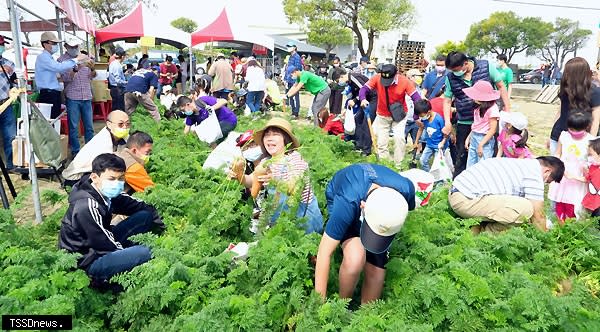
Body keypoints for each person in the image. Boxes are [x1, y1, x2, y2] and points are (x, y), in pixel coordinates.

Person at [315, 163, 415, 304]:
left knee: (377, 271)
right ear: (363, 206)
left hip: (378, 211)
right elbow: (324, 253)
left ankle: (364, 318)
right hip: (343, 192)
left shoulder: (407, 189)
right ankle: (344, 304)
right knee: (354, 259)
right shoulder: (346, 203)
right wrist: (318, 305)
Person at [59, 153, 164, 284]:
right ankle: (104, 281)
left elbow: (136, 205)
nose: (117, 183)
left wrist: (164, 223)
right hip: (88, 262)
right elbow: (104, 244)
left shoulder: (103, 191)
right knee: (146, 252)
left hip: (100, 243)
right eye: (112, 178)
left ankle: (130, 251)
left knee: (145, 216)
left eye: (121, 179)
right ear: (95, 177)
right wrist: (128, 255)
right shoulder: (86, 206)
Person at [229, 117, 323, 234]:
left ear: (286, 139)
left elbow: (294, 189)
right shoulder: (266, 161)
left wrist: (275, 181)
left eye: (275, 134)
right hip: (280, 218)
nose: (270, 138)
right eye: (267, 135)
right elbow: (252, 180)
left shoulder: (295, 159)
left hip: (304, 220)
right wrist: (240, 176)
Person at [449, 156, 564, 233]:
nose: (544, 184)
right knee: (527, 209)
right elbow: (538, 216)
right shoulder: (534, 173)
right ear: (547, 171)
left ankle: (472, 228)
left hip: (459, 192)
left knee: (515, 207)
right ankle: (483, 235)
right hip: (466, 199)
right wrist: (544, 239)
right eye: (547, 181)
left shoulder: (521, 164)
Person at [441, 51, 510, 177]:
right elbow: (447, 100)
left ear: (466, 63)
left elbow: (501, 86)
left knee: (486, 155)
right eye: (452, 71)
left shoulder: (486, 67)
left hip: (487, 123)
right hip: (465, 121)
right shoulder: (451, 77)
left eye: (456, 70)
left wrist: (507, 108)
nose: (455, 73)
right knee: (462, 156)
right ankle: (459, 186)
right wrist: (447, 122)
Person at [359, 64, 422, 168]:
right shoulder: (378, 78)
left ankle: (398, 165)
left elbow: (417, 99)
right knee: (381, 142)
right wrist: (363, 99)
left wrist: (416, 116)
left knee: (399, 139)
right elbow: (364, 89)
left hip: (400, 116)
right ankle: (385, 165)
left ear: (395, 75)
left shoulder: (404, 81)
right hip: (382, 115)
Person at [62, 111, 130, 185]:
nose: (125, 127)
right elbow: (110, 167)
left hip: (96, 170)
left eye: (127, 124)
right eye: (120, 124)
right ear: (109, 124)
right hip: (77, 178)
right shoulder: (103, 143)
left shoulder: (119, 135)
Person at [548, 111, 594, 222]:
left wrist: (586, 168)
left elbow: (592, 159)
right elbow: (558, 153)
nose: (573, 132)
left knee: (575, 202)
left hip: (578, 175)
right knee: (560, 200)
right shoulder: (564, 136)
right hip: (564, 172)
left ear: (586, 127)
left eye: (577, 130)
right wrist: (556, 166)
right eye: (571, 129)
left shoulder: (590, 140)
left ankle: (572, 224)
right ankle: (559, 222)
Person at [548, 57, 600, 155]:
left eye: (568, 72)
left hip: (582, 138)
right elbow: (560, 113)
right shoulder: (566, 90)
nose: (565, 74)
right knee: (557, 166)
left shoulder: (595, 92)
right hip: (559, 135)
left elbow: (596, 120)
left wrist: (591, 143)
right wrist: (551, 136)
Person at [35, 32, 88, 119]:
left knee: (54, 119)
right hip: (48, 94)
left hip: (52, 93)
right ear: (45, 44)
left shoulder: (49, 58)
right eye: (54, 43)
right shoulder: (43, 57)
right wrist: (76, 60)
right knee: (51, 120)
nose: (56, 45)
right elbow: (58, 67)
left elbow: (59, 71)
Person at [58, 38, 96, 156]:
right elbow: (65, 79)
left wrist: (93, 69)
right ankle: (75, 151)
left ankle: (90, 150)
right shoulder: (61, 61)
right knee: (73, 126)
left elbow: (91, 76)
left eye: (76, 46)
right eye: (72, 47)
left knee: (89, 126)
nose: (74, 49)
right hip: (73, 97)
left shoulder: (84, 57)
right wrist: (75, 69)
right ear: (66, 46)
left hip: (86, 96)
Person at [462, 81, 500, 168]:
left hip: (484, 139)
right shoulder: (478, 107)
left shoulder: (492, 109)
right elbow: (476, 125)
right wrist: (469, 137)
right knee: (470, 165)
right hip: (475, 136)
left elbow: (492, 130)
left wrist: (481, 144)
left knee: (482, 166)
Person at [414, 100, 448, 172]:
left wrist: (442, 142)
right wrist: (416, 141)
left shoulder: (439, 119)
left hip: (439, 146)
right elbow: (421, 128)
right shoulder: (425, 119)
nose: (421, 118)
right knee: (423, 161)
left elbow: (446, 133)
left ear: (428, 112)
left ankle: (440, 180)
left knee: (438, 165)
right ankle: (429, 175)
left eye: (421, 116)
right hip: (429, 144)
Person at [0, 35, 17, 169]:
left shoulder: (9, 63)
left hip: (6, 103)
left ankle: (11, 165)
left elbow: (15, 81)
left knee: (10, 135)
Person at [283, 42, 302, 118]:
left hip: (294, 79)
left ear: (294, 47)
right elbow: (287, 69)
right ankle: (293, 111)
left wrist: (295, 78)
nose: (288, 48)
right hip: (289, 79)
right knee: (290, 96)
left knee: (295, 97)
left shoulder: (297, 57)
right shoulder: (290, 56)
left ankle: (296, 112)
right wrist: (285, 79)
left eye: (290, 46)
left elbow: (298, 68)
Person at [582, 137, 600, 218]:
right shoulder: (593, 167)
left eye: (591, 155)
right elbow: (589, 178)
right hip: (595, 202)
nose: (589, 157)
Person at [108, 47, 127, 111]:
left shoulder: (112, 63)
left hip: (114, 88)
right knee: (119, 109)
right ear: (122, 57)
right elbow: (118, 80)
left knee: (115, 108)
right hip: (117, 89)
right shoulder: (117, 65)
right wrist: (126, 82)